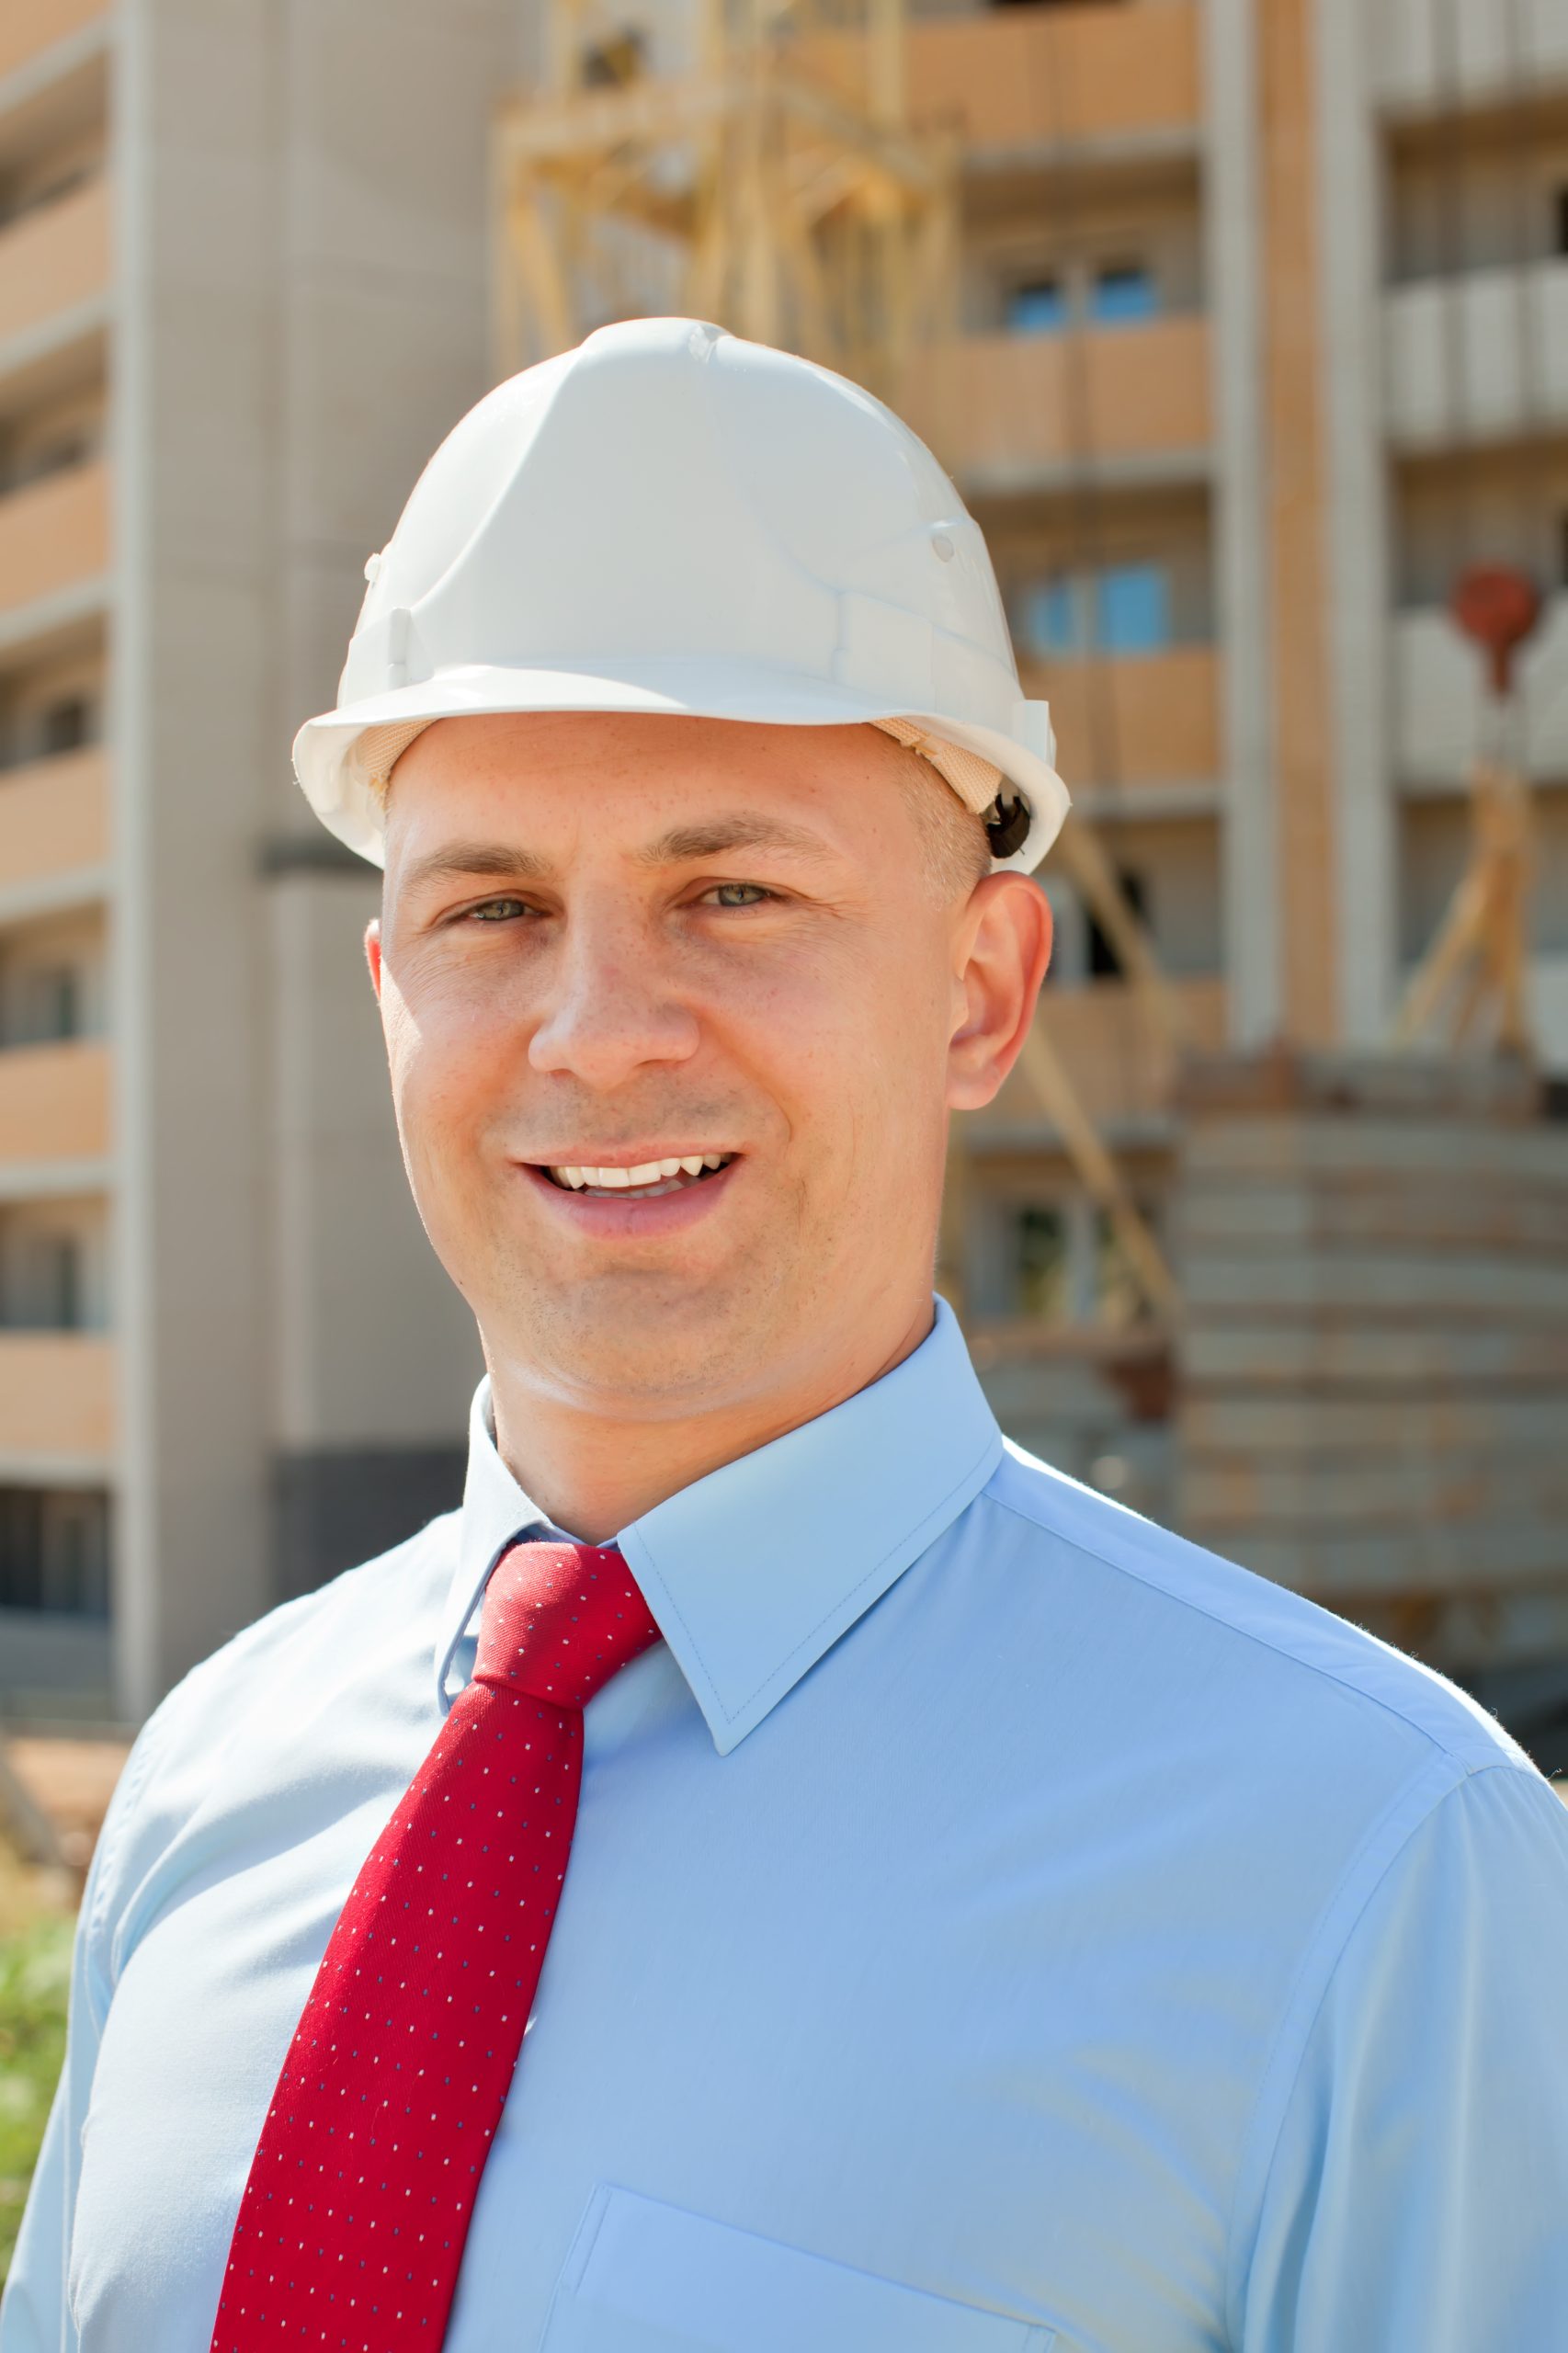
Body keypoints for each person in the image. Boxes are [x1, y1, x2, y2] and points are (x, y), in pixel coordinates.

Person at [6, 318, 1566, 2353]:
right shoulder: (212, 1775)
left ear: (983, 991)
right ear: (389, 985)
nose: (595, 1029)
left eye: (732, 889)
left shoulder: (1372, 1874)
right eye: (492, 911)